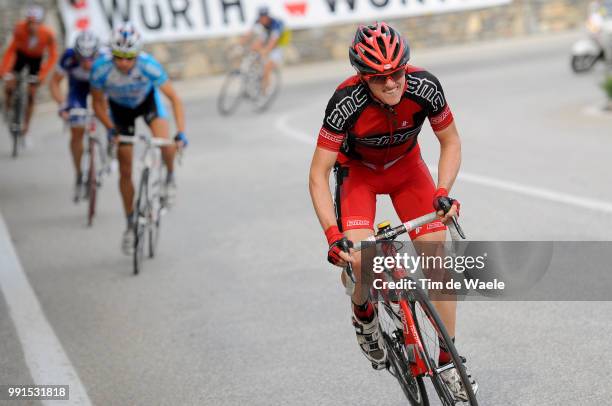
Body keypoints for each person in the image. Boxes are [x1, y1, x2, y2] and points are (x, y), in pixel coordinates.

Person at [308, 22, 477, 401]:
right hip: (359, 177)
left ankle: (448, 361)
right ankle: (364, 315)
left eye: (397, 73)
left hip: (408, 171)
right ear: (362, 77)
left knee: (439, 264)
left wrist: (443, 192)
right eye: (379, 78)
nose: (391, 84)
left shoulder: (425, 86)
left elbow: (449, 142)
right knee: (358, 262)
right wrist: (332, 236)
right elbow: (318, 174)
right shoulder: (344, 102)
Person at [90, 23, 187, 255]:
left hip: (147, 104)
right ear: (111, 53)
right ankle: (130, 222)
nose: (123, 63)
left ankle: (170, 178)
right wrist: (110, 129)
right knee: (125, 167)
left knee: (166, 145)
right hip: (120, 111)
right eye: (119, 57)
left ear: (137, 54)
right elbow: (97, 103)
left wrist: (181, 133)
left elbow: (174, 99)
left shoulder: (149, 66)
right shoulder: (100, 69)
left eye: (129, 57)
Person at [49, 31, 101, 201]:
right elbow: (55, 83)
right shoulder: (68, 57)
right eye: (82, 58)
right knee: (76, 130)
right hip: (77, 89)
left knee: (110, 118)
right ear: (76, 54)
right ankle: (79, 173)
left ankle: (109, 150)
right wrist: (63, 105)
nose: (87, 63)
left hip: (100, 87)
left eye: (90, 58)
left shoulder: (105, 57)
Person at [1, 4, 58, 138]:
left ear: (40, 23)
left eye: (36, 23)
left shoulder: (48, 34)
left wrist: (42, 74)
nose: (32, 27)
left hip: (36, 59)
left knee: (31, 93)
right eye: (30, 23)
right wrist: (4, 70)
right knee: (10, 82)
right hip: (21, 55)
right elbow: (11, 50)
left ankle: (26, 125)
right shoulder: (19, 29)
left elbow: (53, 56)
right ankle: (8, 106)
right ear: (27, 22)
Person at [241, 6, 290, 93]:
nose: (263, 19)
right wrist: (241, 42)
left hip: (279, 42)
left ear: (268, 16)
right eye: (261, 17)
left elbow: (273, 41)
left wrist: (266, 51)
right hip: (268, 36)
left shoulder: (275, 23)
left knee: (267, 65)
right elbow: (250, 33)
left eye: (265, 17)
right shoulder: (258, 21)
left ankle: (265, 86)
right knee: (255, 46)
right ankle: (255, 66)